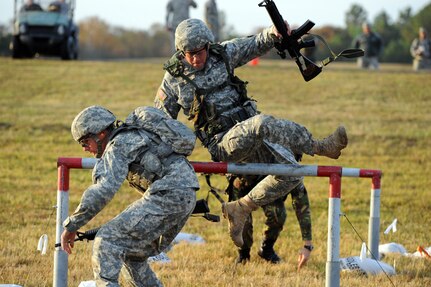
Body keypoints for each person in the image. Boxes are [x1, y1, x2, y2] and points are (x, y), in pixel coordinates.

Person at [154, 18, 348, 248]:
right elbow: (159, 122)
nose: (195, 58)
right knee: (260, 123)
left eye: (199, 52)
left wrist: (275, 32)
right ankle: (319, 146)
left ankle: (240, 208)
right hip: (223, 142)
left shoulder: (223, 54)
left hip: (253, 136)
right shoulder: (173, 79)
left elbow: (255, 43)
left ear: (208, 45)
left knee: (293, 174)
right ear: (180, 51)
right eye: (189, 54)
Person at [61, 105, 199, 286]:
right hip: (182, 194)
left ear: (100, 134)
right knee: (132, 254)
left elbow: (103, 190)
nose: (85, 149)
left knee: (107, 240)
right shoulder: (134, 136)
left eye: (85, 142)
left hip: (168, 195)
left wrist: (72, 225)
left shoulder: (118, 145)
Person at [228, 174, 313, 269]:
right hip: (243, 183)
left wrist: (307, 244)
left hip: (271, 185)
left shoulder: (291, 172)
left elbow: (302, 207)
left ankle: (266, 249)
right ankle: (243, 253)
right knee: (242, 220)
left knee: (278, 214)